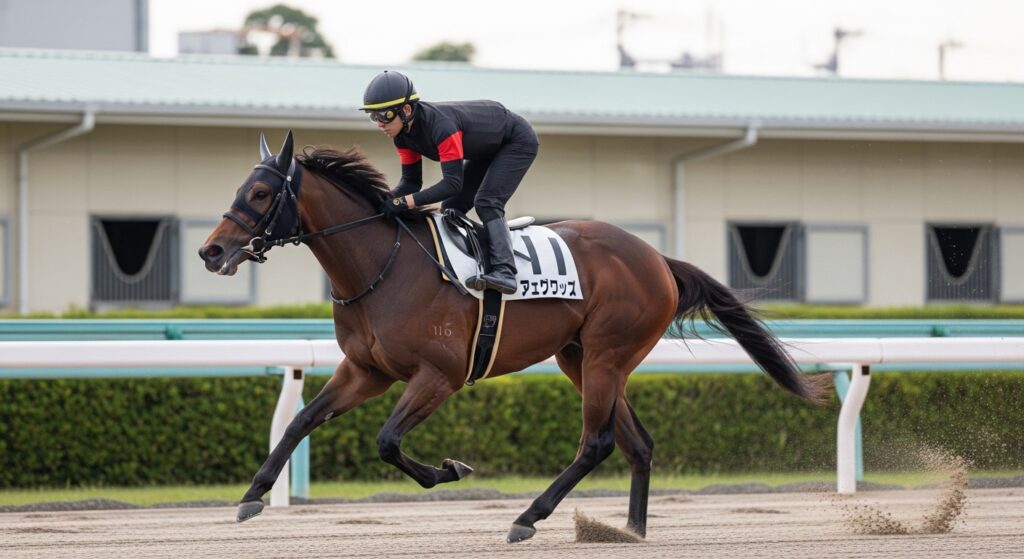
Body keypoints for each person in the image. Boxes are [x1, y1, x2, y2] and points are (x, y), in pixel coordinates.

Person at [361, 70, 539, 295]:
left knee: (487, 202)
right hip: (486, 147)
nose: (379, 124)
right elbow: (411, 182)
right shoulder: (402, 137)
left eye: (384, 115)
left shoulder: (441, 127)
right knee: (452, 207)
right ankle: (474, 259)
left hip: (516, 141)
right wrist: (385, 199)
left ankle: (505, 271)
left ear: (406, 110)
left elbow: (452, 184)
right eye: (373, 116)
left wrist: (402, 203)